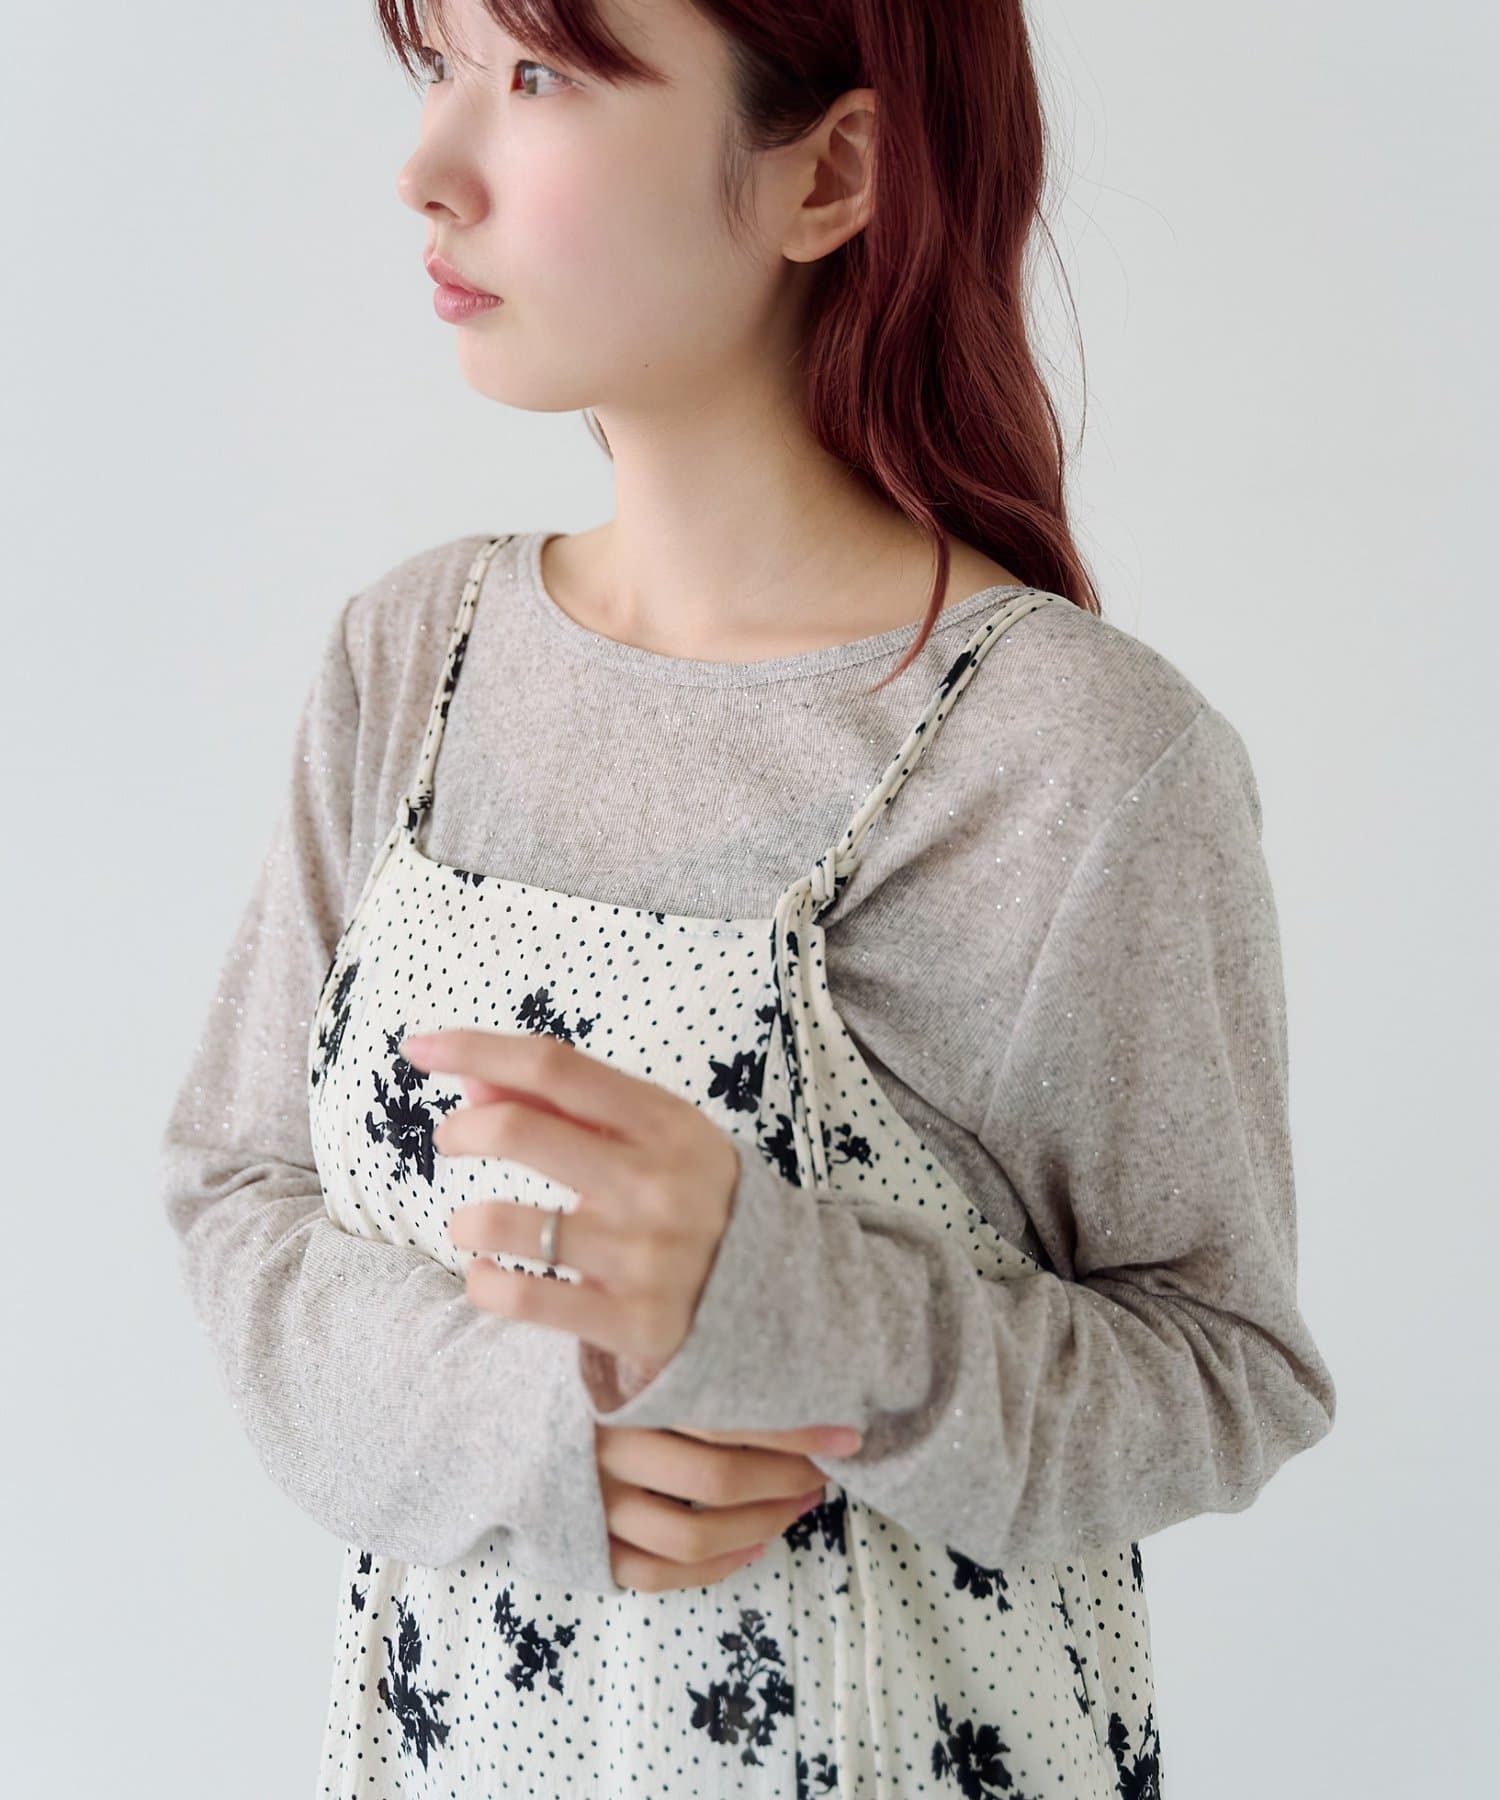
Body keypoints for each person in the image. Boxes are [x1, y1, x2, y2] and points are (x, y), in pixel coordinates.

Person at [159, 1, 1337, 1794]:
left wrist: (808, 1312)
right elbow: (237, 1191)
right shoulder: (411, 658)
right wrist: (522, 1426)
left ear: (831, 172)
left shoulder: (1074, 757)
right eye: (437, 67)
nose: (429, 172)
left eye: (538, 76)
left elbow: (1225, 1371)